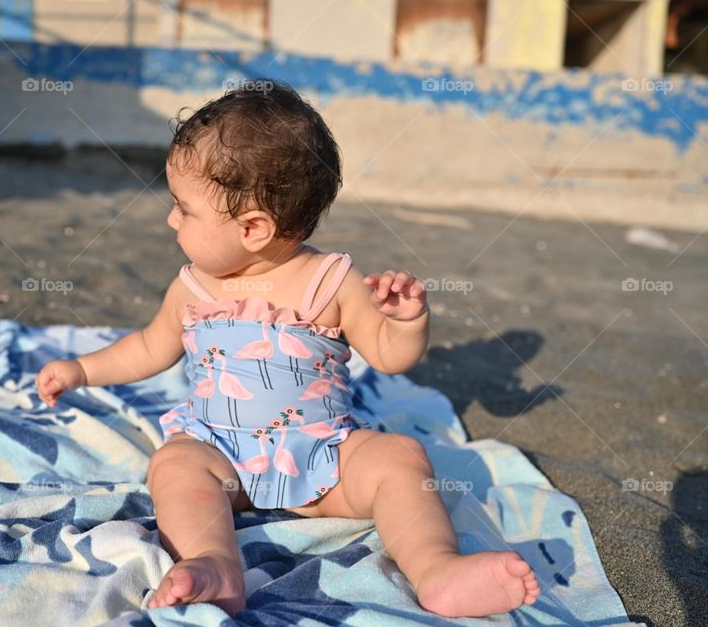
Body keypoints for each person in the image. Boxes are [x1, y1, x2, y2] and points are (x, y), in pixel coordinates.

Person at [36, 79, 541, 618]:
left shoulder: (331, 280)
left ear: (254, 227)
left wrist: (407, 320)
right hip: (221, 458)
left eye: (184, 209)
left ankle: (437, 568)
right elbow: (147, 347)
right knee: (174, 465)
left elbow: (389, 355)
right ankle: (215, 564)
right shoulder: (193, 288)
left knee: (399, 458)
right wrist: (81, 370)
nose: (171, 218)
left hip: (324, 459)